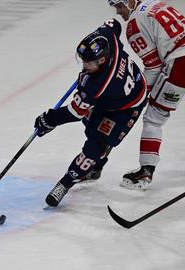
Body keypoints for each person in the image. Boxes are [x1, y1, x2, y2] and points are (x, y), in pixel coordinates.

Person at [35, 19, 148, 207]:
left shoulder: (98, 83)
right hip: (110, 98)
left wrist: (49, 119)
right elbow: (114, 24)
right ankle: (96, 165)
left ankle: (65, 183)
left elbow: (74, 112)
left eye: (88, 62)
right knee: (91, 126)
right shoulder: (108, 37)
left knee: (96, 145)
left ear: (102, 60)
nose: (83, 65)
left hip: (126, 108)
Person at [108, 0, 185, 191]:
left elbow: (153, 67)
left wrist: (141, 95)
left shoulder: (134, 25)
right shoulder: (156, 4)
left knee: (154, 118)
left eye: (119, 6)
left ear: (129, 2)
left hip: (181, 64)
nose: (118, 12)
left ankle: (145, 171)